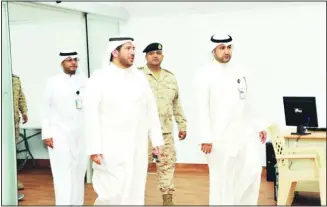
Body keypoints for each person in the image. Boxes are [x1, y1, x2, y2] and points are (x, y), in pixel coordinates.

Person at [83, 36, 164, 205]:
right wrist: (93, 147)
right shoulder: (99, 78)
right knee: (111, 193)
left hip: (137, 148)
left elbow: (151, 110)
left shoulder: (140, 77)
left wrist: (157, 140)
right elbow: (90, 115)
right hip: (110, 148)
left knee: (135, 190)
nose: (133, 52)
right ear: (114, 52)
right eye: (128, 48)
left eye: (134, 48)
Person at [193, 33, 269, 205]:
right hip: (219, 137)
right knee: (223, 180)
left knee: (253, 171)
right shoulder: (204, 74)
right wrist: (206, 138)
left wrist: (259, 125)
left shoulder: (240, 72)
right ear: (213, 50)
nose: (226, 52)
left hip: (244, 132)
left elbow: (248, 100)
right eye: (222, 48)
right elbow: (201, 109)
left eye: (229, 47)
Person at [138, 42, 187, 205]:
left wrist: (182, 124)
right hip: (142, 133)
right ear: (145, 56)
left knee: (167, 167)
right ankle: (135, 200)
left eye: (158, 53)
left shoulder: (170, 77)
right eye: (151, 53)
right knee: (138, 169)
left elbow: (176, 103)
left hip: (165, 132)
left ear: (162, 56)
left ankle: (167, 200)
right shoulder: (137, 76)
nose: (155, 56)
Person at [41, 51, 88, 205]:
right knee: (62, 172)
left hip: (81, 134)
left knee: (79, 172)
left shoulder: (84, 81)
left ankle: (77, 203)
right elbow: (45, 109)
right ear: (62, 63)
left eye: (75, 59)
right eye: (69, 60)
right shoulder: (52, 82)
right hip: (59, 133)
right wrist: (46, 133)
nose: (73, 62)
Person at [12, 73, 28, 201]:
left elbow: (21, 97)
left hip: (13, 123)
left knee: (12, 153)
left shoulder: (15, 79)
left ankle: (13, 181)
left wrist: (24, 112)